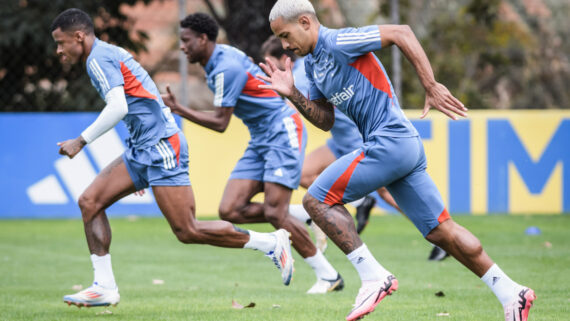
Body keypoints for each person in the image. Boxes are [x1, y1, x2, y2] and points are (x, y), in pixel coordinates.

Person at [259, 1, 536, 321]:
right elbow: (325, 120)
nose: (284, 45)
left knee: (316, 200)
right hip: (400, 146)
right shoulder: (312, 67)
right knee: (440, 231)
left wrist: (430, 86)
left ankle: (373, 276)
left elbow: (401, 33)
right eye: (279, 38)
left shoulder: (338, 41)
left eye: (285, 35)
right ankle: (511, 292)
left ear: (306, 22)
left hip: (389, 141)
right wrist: (293, 93)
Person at [51, 8, 295, 308]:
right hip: (144, 148)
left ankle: (271, 243)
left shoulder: (98, 58)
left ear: (79, 36)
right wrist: (138, 168)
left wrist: (80, 141)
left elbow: (118, 108)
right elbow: (142, 103)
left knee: (187, 230)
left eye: (61, 42)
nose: (59, 50)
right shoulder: (103, 55)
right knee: (89, 202)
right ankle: (104, 286)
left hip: (162, 147)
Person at [161, 13, 343, 294]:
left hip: (282, 131)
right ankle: (305, 214)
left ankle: (328, 275)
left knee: (275, 212)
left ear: (203, 39)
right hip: (261, 138)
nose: (182, 47)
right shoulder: (219, 58)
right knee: (230, 209)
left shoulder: (225, 68)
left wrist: (179, 109)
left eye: (186, 41)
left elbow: (221, 123)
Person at [261, 35, 449, 261]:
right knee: (303, 173)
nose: (269, 71)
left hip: (355, 137)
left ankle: (437, 236)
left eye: (271, 63)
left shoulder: (300, 74)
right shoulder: (307, 68)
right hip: (339, 140)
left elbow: (291, 110)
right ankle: (358, 202)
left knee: (388, 193)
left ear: (283, 59)